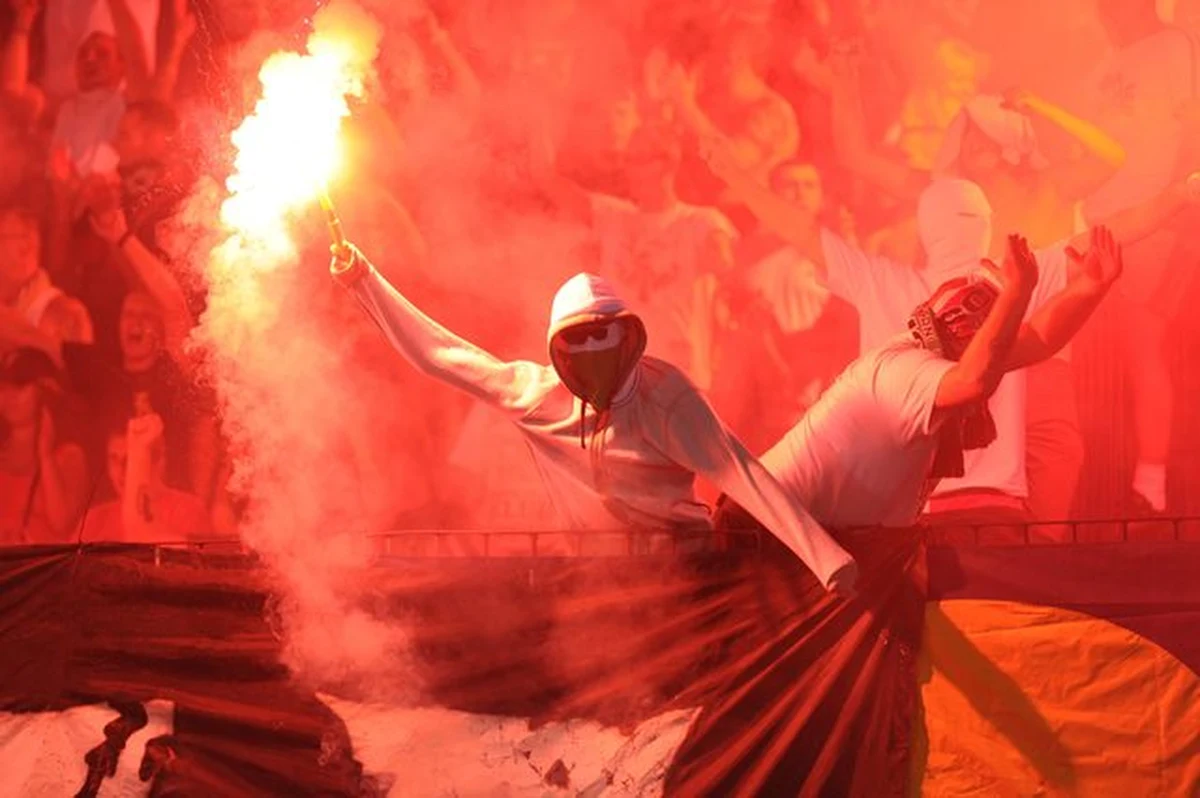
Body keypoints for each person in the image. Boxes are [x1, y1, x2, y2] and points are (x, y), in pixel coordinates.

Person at [327, 238, 857, 595]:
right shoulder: (534, 396)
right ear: (555, 347)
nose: (591, 351)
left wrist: (827, 561)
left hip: (684, 573)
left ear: (628, 334)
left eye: (602, 335)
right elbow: (441, 354)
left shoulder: (667, 399)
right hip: (596, 579)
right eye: (575, 340)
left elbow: (743, 475)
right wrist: (363, 279)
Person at [720, 228, 1123, 535]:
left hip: (812, 529)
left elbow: (1036, 341)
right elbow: (973, 381)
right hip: (763, 526)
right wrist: (1016, 294)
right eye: (995, 328)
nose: (1004, 343)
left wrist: (1089, 288)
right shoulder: (903, 370)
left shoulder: (942, 353)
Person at [0, 347, 89, 545]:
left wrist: (46, 456)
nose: (9, 395)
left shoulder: (69, 457)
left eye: (20, 386)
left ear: (46, 393)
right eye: (3, 387)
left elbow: (61, 524)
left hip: (41, 563)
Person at [81, 411, 211, 543]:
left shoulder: (188, 511)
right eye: (114, 459)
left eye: (129, 460)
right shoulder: (94, 519)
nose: (121, 470)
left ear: (157, 462)